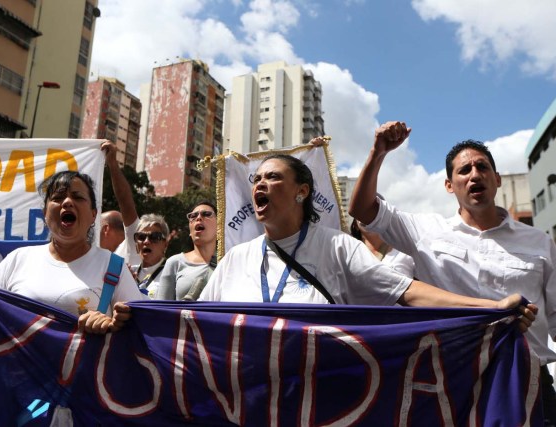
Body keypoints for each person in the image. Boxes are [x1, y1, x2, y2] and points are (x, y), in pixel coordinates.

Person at [348, 120, 556, 424]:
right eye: (464, 170)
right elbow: (363, 210)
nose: (475, 175)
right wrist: (378, 152)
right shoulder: (425, 231)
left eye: (482, 167)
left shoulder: (539, 242)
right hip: (452, 384)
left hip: (527, 381)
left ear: (497, 179)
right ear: (449, 185)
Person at [192, 152, 535, 330]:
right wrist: (139, 314)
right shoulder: (236, 259)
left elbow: (408, 292)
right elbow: (191, 320)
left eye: (272, 177)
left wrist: (492, 308)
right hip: (244, 399)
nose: (260, 185)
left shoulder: (337, 247)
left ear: (302, 191)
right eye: (256, 179)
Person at [0, 171, 144, 334]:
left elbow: (143, 330)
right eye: (58, 198)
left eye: (77, 197)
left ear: (93, 215)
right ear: (44, 213)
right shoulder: (19, 259)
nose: (67, 202)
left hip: (80, 389)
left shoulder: (113, 267)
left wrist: (114, 325)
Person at [156, 201, 217, 301]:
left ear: (219, 226)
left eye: (206, 214)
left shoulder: (228, 262)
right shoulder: (174, 263)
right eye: (193, 216)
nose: (198, 218)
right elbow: (161, 310)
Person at [100, 141, 141, 265]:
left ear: (106, 229)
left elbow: (125, 202)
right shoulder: (98, 258)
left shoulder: (133, 245)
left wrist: (112, 164)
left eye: (97, 226)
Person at [349, 218, 415, 277]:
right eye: (360, 215)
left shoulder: (404, 250)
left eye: (372, 215)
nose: (366, 218)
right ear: (356, 225)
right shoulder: (352, 256)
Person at [130, 214, 170, 298]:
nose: (146, 242)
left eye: (154, 237)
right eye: (141, 237)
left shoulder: (171, 273)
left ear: (165, 244)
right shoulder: (129, 272)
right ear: (136, 245)